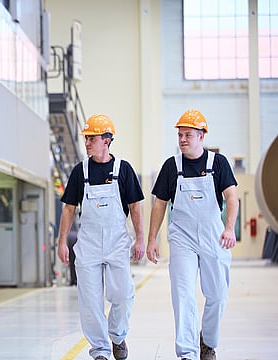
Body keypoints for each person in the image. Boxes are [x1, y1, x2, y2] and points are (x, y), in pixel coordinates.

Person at [146, 109, 238, 360]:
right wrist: (152, 238)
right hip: (182, 238)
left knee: (217, 294)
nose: (183, 139)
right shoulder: (171, 166)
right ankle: (187, 352)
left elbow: (231, 197)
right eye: (180, 135)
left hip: (213, 236)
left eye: (188, 135)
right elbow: (159, 203)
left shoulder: (217, 164)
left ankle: (207, 341)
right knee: (183, 294)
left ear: (201, 136)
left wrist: (229, 228)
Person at [57, 114, 145, 360]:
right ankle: (100, 351)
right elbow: (69, 208)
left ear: (106, 140)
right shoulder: (80, 171)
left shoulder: (123, 170)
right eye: (86, 138)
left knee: (123, 294)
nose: (87, 142)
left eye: (91, 138)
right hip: (89, 244)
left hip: (117, 242)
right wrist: (62, 241)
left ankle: (117, 336)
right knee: (90, 302)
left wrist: (140, 238)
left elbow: (135, 207)